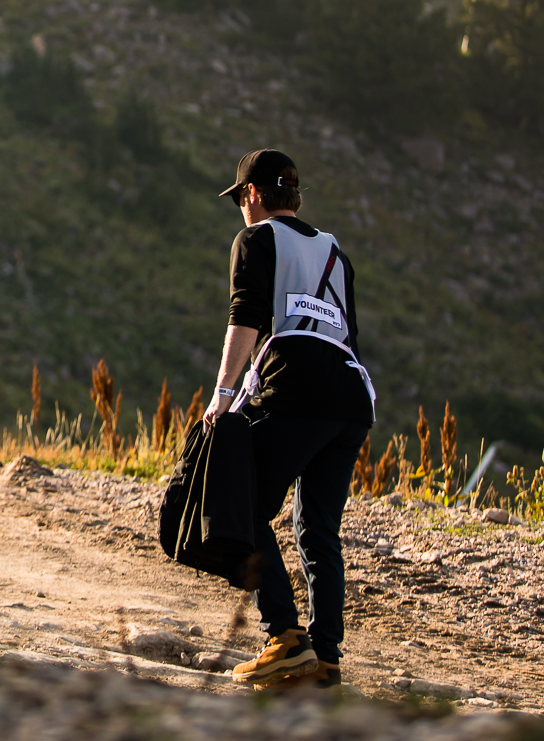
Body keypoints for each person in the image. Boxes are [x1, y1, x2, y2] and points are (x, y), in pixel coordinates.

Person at [203, 148, 375, 691]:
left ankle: (285, 638)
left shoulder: (257, 239)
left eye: (241, 201)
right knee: (318, 529)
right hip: (350, 397)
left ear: (252, 195)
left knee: (247, 502)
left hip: (296, 386)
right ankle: (325, 657)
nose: (241, 211)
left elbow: (247, 315)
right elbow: (345, 333)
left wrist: (223, 393)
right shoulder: (335, 251)